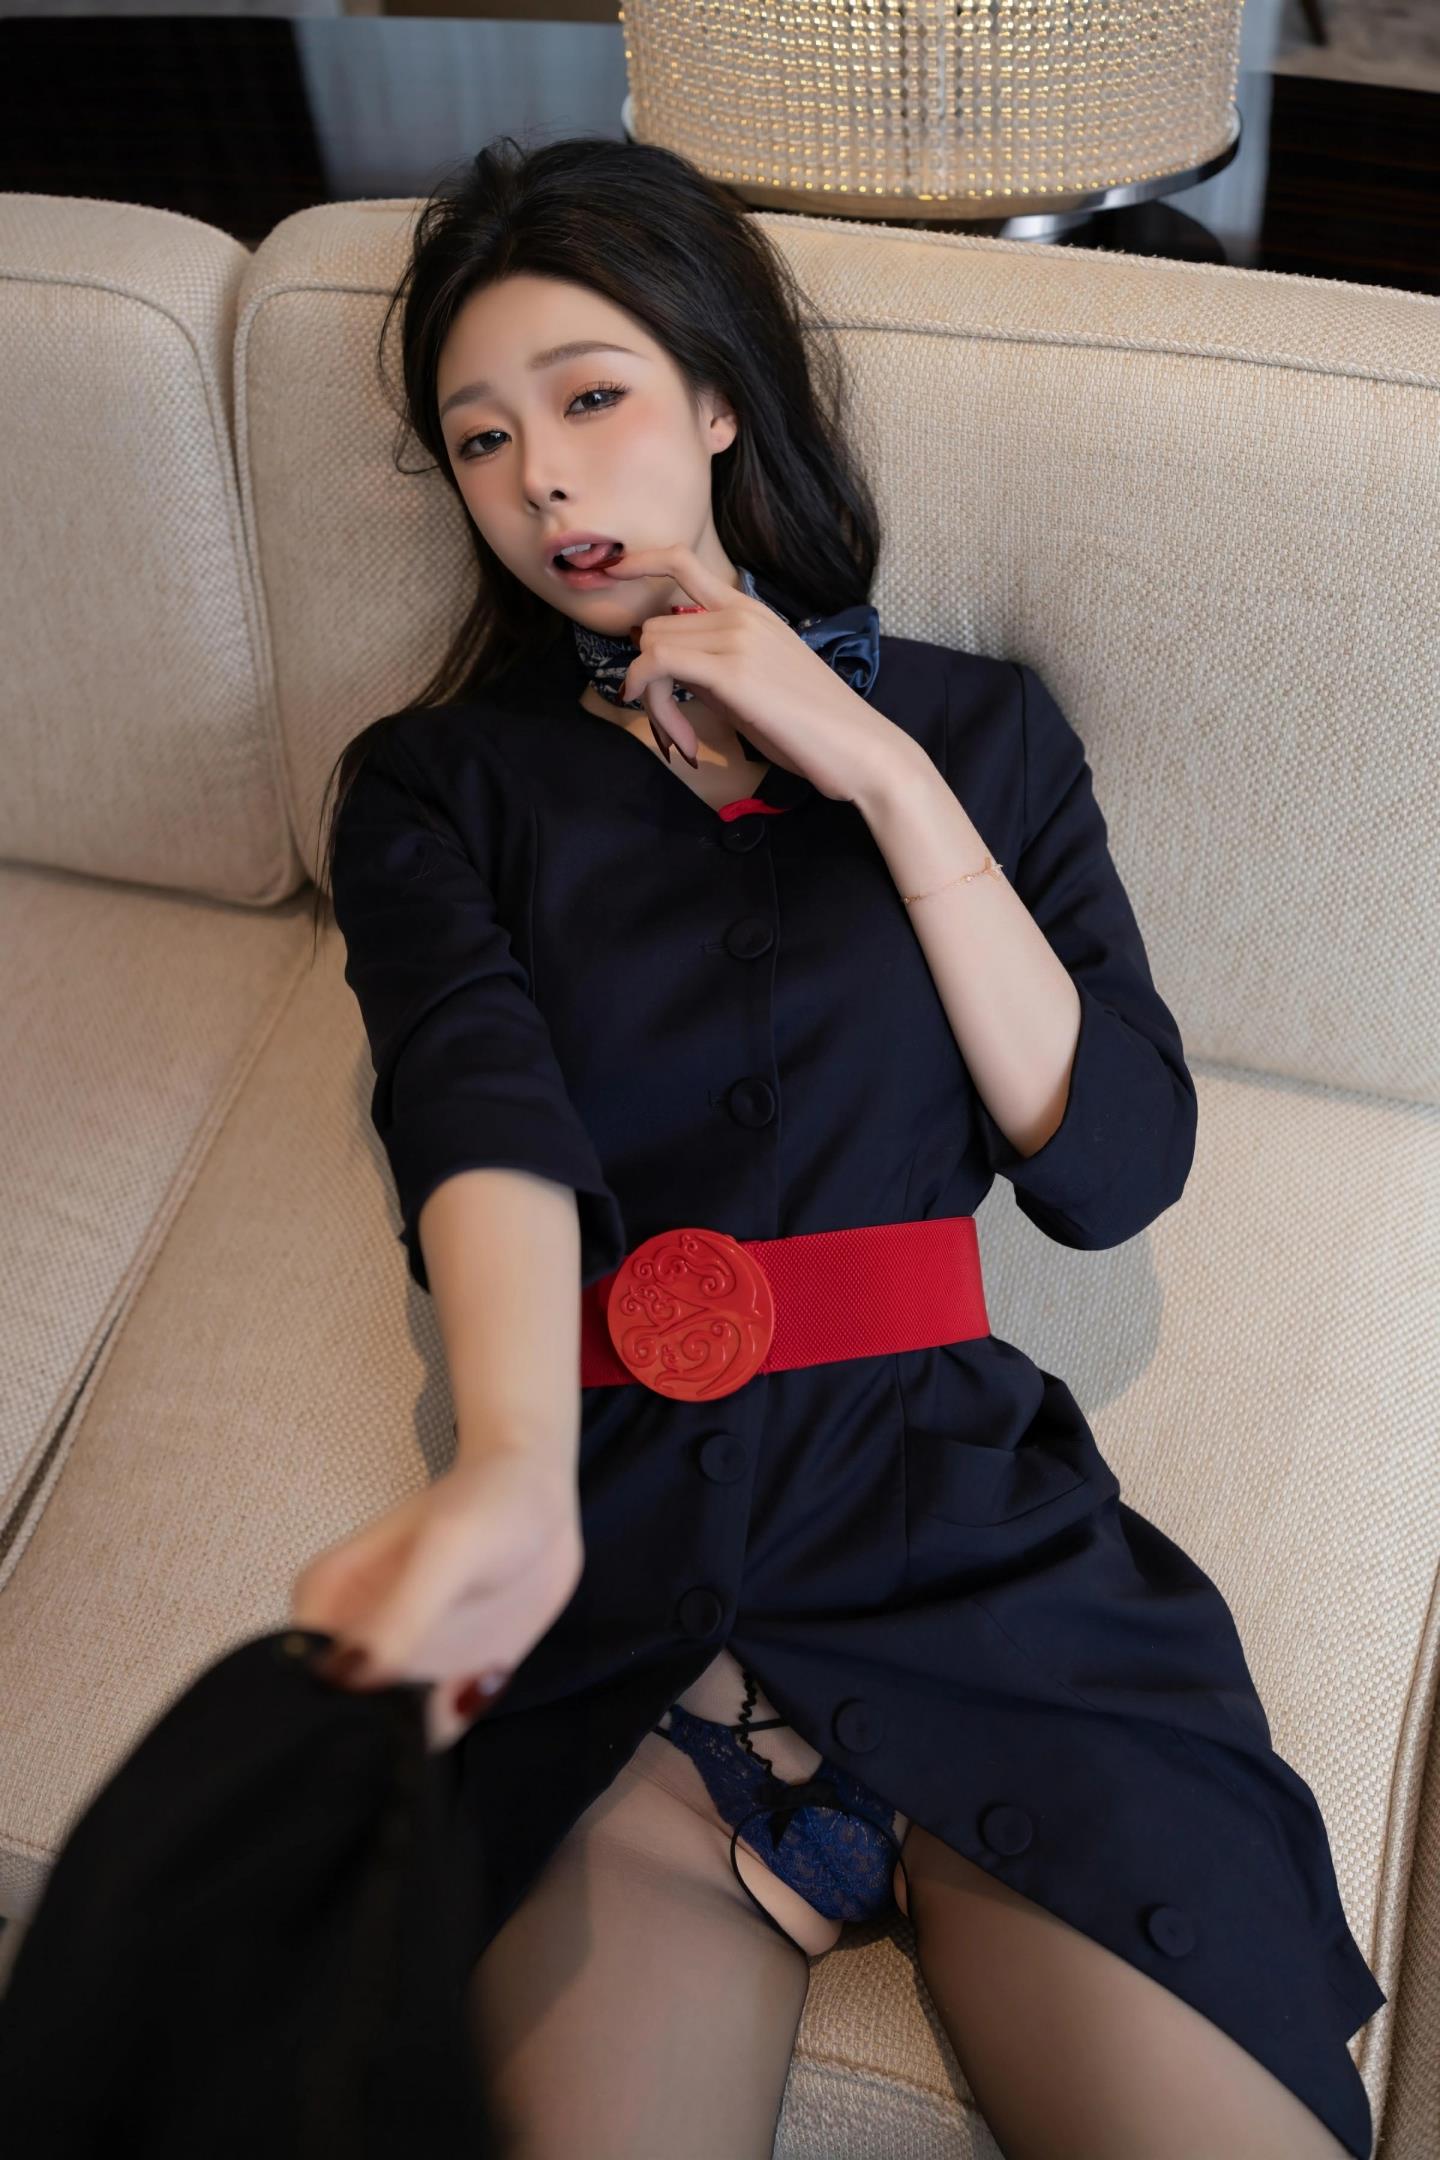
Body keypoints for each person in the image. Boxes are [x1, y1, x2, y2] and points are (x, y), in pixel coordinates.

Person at [294, 131, 1385, 2160]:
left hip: (986, 1577)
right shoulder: (436, 790)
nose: (542, 482)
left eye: (592, 399)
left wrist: (875, 767)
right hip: (625, 1628)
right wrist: (512, 1467)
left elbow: (1111, 1166)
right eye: (480, 440)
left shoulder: (981, 736)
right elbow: (472, 1114)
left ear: (720, 399)